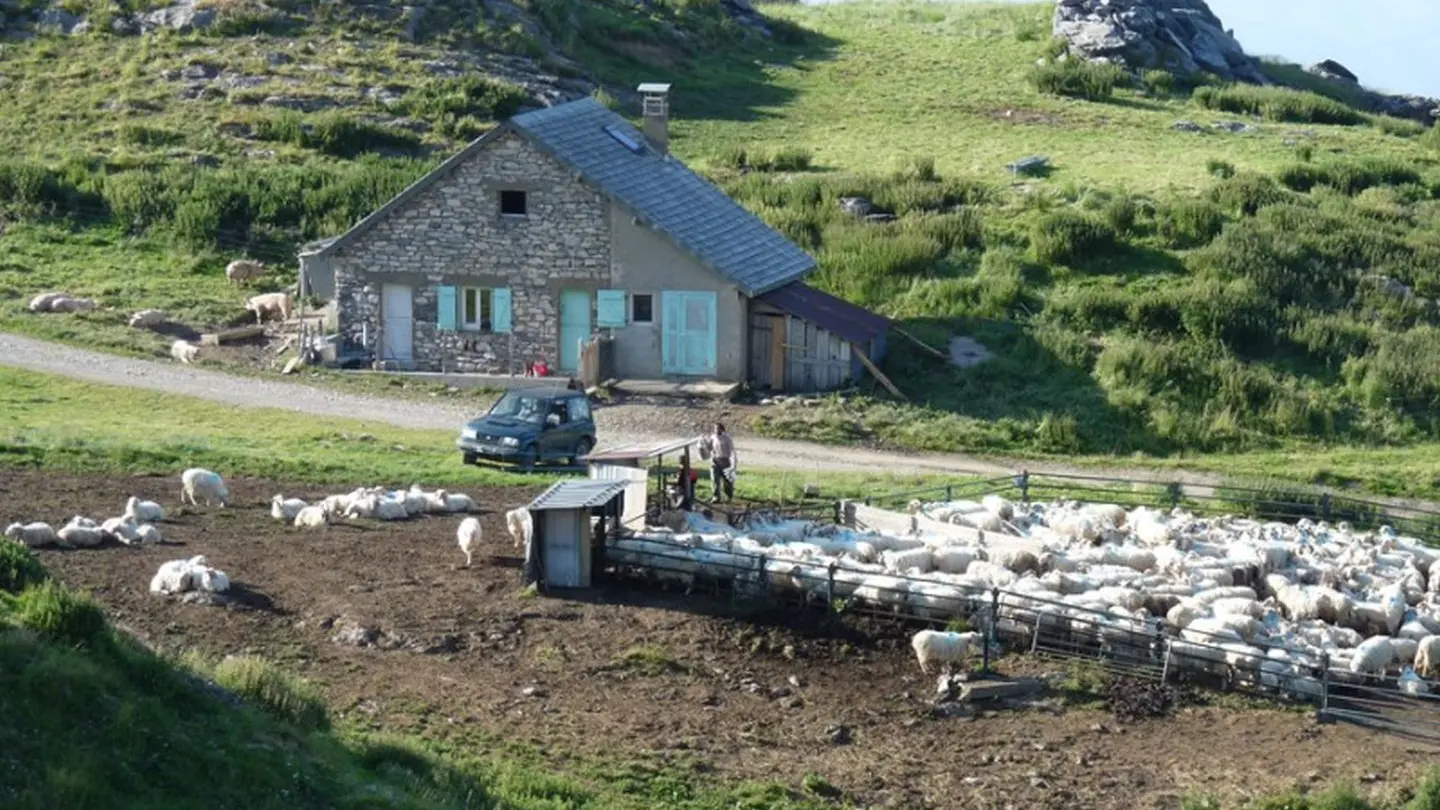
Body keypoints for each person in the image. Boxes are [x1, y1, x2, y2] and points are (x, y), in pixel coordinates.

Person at [699, 422, 736, 503]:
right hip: (715, 461)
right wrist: (703, 441)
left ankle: (729, 496)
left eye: (718, 428)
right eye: (715, 428)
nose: (716, 430)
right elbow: (709, 448)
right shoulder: (713, 437)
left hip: (725, 461)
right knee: (715, 480)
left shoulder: (727, 438)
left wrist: (733, 463)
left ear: (722, 429)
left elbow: (732, 451)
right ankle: (716, 497)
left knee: (727, 481)